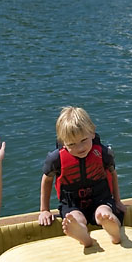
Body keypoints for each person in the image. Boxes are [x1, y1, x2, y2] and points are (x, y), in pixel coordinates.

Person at [39, 106, 125, 247]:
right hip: (72, 203)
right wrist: (44, 210)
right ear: (63, 143)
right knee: (75, 218)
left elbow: (112, 174)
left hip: (101, 198)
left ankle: (113, 230)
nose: (80, 148)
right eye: (72, 144)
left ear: (92, 132)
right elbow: (46, 180)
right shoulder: (56, 159)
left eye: (84, 140)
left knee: (104, 212)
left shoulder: (103, 153)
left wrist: (118, 201)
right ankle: (83, 236)